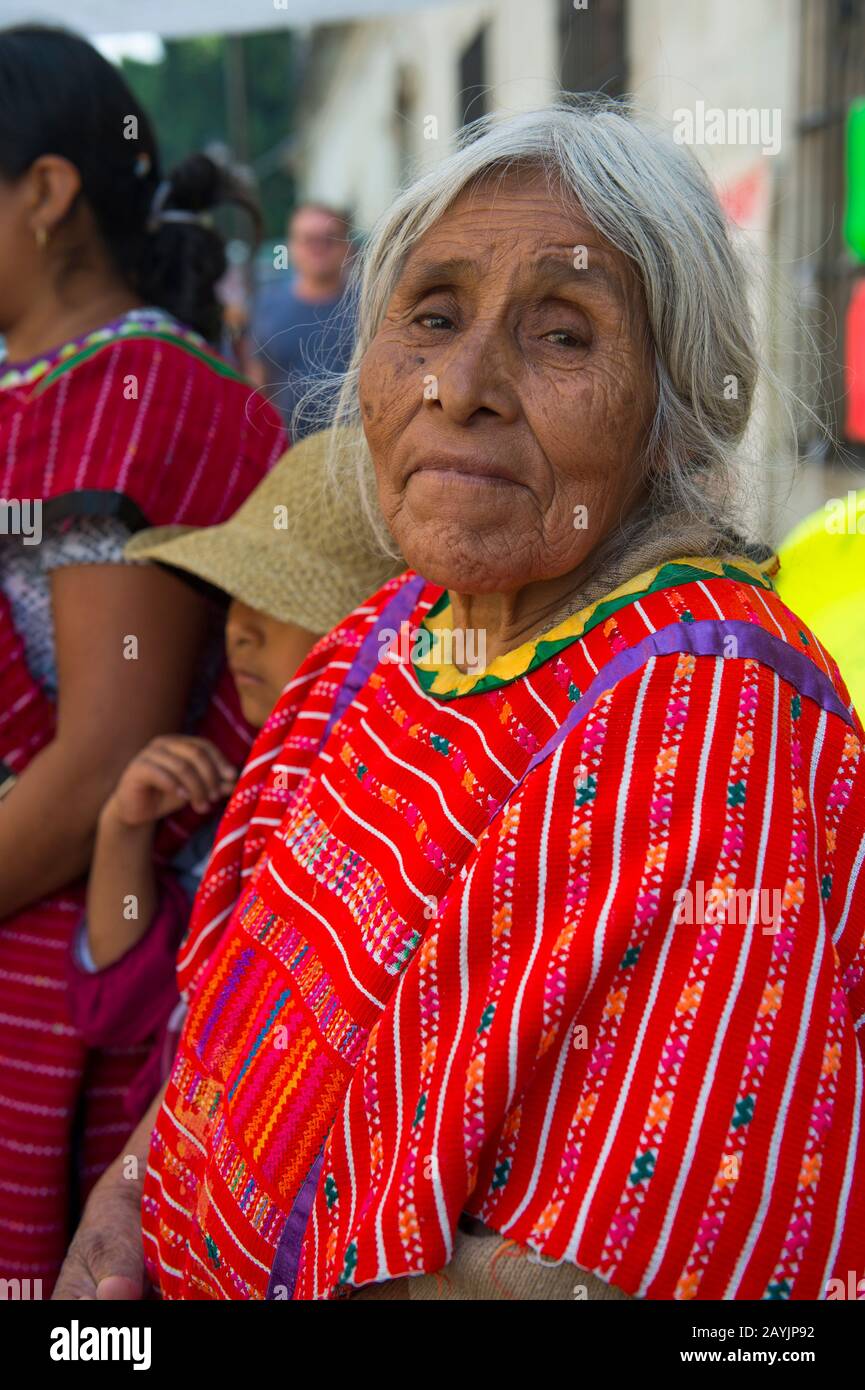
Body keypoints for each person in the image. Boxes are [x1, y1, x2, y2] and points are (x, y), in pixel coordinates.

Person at [56, 102, 865, 1303]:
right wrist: (126, 1197)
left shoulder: (714, 704)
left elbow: (623, 1263)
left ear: (672, 407)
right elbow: (227, 1026)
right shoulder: (391, 632)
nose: (462, 383)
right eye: (430, 315)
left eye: (563, 334)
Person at [0, 25, 285, 1290]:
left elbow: (97, 770)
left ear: (48, 194)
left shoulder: (125, 394)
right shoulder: (37, 385)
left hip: (76, 973)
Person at [65, 429, 402, 1128]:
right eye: (236, 595)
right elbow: (119, 1009)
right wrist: (123, 828)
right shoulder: (243, 794)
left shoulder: (378, 834)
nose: (239, 629)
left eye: (279, 600)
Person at [249, 203, 356, 436]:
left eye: (329, 239)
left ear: (347, 246)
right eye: (309, 240)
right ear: (292, 247)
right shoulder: (266, 306)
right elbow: (257, 385)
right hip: (288, 453)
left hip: (356, 450)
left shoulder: (373, 307)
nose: (318, 248)